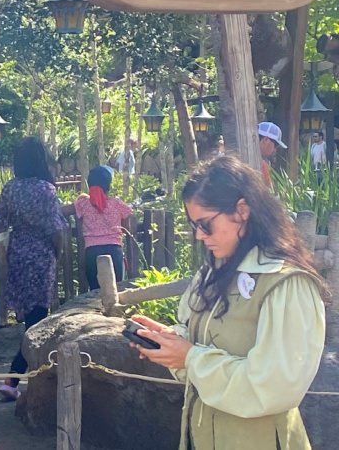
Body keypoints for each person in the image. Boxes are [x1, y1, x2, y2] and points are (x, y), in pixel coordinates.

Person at [130, 155, 327, 450]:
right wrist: (170, 342)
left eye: (205, 224)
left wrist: (191, 358)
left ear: (242, 210)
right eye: (194, 225)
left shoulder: (287, 283)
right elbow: (201, 344)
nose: (198, 235)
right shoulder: (214, 271)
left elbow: (272, 387)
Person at [0, 137, 68, 401]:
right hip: (41, 256)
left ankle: (18, 378)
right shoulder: (46, 190)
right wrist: (57, 252)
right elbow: (56, 229)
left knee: (29, 319)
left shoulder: (10, 188)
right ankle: (15, 379)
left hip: (18, 254)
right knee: (37, 322)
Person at [74, 166, 132, 290]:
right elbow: (127, 224)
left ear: (89, 185)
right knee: (116, 290)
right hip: (114, 250)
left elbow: (75, 210)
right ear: (109, 186)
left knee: (95, 292)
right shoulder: (117, 204)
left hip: (91, 252)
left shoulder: (83, 204)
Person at [257, 121, 286, 186]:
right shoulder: (263, 165)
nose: (274, 150)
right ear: (266, 140)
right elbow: (268, 192)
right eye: (275, 145)